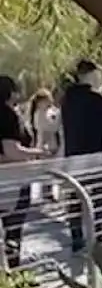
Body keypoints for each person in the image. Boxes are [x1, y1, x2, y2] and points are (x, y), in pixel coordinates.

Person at [60, 59, 102, 252]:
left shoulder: (67, 100)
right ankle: (98, 236)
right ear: (90, 74)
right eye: (98, 73)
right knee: (100, 197)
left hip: (72, 157)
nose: (99, 77)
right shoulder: (97, 99)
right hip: (94, 157)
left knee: (75, 197)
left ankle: (77, 238)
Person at [0, 76, 54, 268]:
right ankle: (14, 269)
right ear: (10, 92)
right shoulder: (7, 115)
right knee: (13, 226)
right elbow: (12, 151)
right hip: (12, 180)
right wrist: (39, 153)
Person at [29, 88, 62, 202]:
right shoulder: (39, 114)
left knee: (49, 168)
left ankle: (49, 191)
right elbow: (50, 127)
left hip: (49, 144)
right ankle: (47, 193)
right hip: (44, 145)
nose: (50, 102)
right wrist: (59, 117)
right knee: (46, 169)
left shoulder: (47, 112)